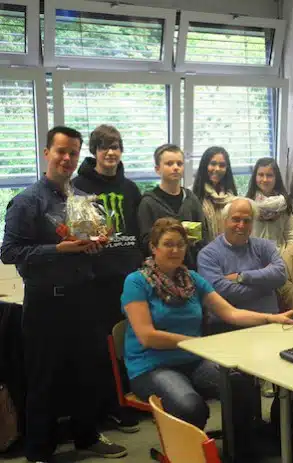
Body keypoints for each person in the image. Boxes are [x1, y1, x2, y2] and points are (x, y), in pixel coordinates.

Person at [122, 218, 293, 459]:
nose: (175, 250)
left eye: (180, 245)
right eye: (167, 244)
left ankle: (239, 450)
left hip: (193, 359)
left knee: (242, 384)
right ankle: (189, 454)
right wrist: (193, 343)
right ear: (154, 248)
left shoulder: (192, 280)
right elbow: (146, 336)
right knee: (190, 407)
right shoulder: (136, 282)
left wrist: (272, 318)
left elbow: (231, 313)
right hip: (151, 366)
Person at [1, 126, 127, 462]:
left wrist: (94, 245)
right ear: (47, 153)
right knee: (44, 379)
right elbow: (10, 252)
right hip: (46, 303)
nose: (67, 159)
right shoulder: (28, 201)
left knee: (87, 372)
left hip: (84, 298)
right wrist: (59, 249)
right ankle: (39, 450)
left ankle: (86, 437)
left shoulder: (79, 199)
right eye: (61, 151)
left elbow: (84, 246)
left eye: (73, 152)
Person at [72, 124, 143, 433]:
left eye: (116, 146)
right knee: (104, 349)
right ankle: (110, 407)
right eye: (104, 147)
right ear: (94, 151)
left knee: (130, 342)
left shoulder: (131, 189)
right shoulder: (78, 186)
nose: (111, 152)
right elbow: (77, 233)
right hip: (97, 280)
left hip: (130, 278)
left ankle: (130, 400)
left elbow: (140, 234)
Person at [197, 198, 288, 334]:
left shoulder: (264, 246)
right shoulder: (208, 255)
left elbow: (281, 274)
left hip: (270, 325)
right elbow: (221, 292)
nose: (241, 225)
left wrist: (242, 277)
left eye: (247, 221)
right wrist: (268, 287)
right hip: (226, 328)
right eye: (236, 219)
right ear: (224, 221)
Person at [138, 144, 208, 270]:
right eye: (169, 164)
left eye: (179, 164)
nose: (175, 168)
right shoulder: (148, 202)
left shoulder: (191, 199)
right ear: (157, 169)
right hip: (160, 273)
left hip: (190, 269)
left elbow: (204, 234)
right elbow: (145, 242)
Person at [246, 157, 293, 251]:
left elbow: (290, 236)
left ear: (276, 178)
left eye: (269, 175)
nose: (265, 179)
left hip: (280, 257)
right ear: (255, 177)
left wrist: (286, 257)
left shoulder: (285, 204)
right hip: (254, 258)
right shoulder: (248, 204)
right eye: (261, 175)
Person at [192, 146, 238, 242]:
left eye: (222, 165)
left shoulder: (233, 198)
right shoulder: (193, 195)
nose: (217, 169)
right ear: (205, 166)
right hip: (203, 252)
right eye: (213, 164)